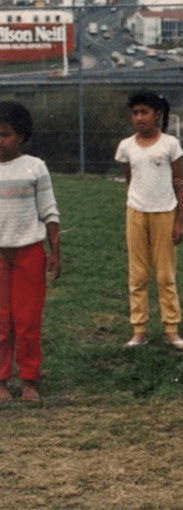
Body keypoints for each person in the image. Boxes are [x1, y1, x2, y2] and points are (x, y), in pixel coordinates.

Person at [115, 90, 183, 351]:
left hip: (165, 213)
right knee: (137, 275)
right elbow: (130, 180)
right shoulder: (126, 146)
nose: (139, 118)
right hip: (136, 213)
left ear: (156, 114)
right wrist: (137, 203)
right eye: (135, 113)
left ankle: (171, 329)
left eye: (144, 112)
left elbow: (179, 184)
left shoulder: (169, 144)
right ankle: (139, 329)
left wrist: (179, 221)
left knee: (165, 274)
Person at [0, 101, 61, 402]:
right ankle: (0, 380)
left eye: (4, 134)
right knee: (0, 321)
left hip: (29, 252)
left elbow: (49, 211)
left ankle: (29, 379)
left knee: (27, 320)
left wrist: (55, 251)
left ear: (21, 136)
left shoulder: (35, 167)